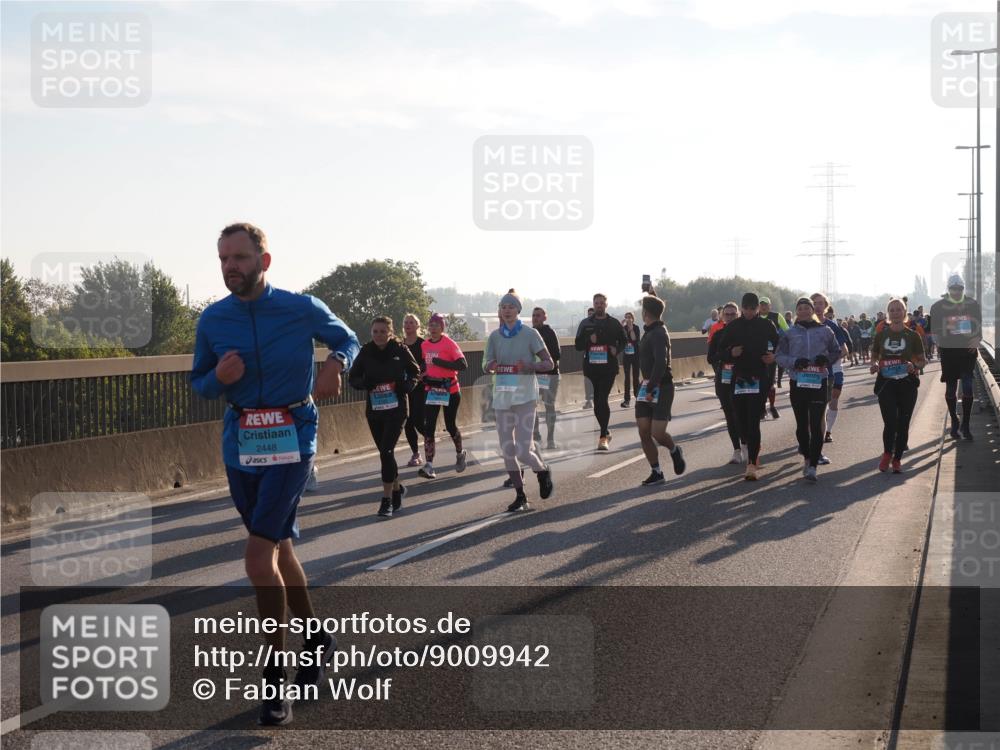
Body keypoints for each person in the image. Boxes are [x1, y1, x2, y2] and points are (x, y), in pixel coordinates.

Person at [191, 222, 359, 726]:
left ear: (264, 261)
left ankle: (274, 679)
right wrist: (216, 378)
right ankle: (315, 638)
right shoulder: (213, 319)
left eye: (239, 258)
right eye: (222, 259)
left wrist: (335, 365)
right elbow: (198, 383)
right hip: (241, 443)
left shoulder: (300, 307)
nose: (229, 268)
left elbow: (347, 339)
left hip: (293, 437)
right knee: (281, 548)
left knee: (258, 556)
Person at [484, 290, 555, 511]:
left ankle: (542, 470)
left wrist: (529, 366)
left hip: (525, 397)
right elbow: (485, 362)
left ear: (518, 310)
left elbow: (549, 363)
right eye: (503, 306)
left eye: (511, 306)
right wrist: (490, 366)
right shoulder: (494, 336)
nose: (506, 310)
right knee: (507, 450)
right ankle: (520, 494)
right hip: (502, 398)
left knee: (523, 450)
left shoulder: (530, 334)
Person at [348, 317, 420, 517]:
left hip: (396, 409)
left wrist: (407, 386)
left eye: (382, 331)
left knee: (387, 451)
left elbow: (415, 372)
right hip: (375, 411)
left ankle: (386, 500)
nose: (378, 335)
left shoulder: (400, 350)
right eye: (375, 331)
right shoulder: (366, 351)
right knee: (384, 454)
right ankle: (397, 490)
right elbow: (352, 378)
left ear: (390, 332)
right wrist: (365, 383)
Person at [776, 298, 842, 482]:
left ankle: (813, 465)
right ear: (796, 311)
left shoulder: (825, 331)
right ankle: (806, 457)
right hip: (798, 382)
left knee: (816, 424)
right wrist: (794, 362)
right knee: (802, 426)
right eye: (800, 308)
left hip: (818, 382)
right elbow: (779, 356)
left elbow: (837, 351)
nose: (804, 311)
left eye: (807, 308)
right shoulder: (789, 333)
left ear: (812, 310)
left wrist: (825, 359)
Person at [717, 292, 779, 480]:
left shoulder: (767, 325)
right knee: (740, 421)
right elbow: (719, 351)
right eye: (747, 309)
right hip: (739, 378)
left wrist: (773, 356)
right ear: (742, 308)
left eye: (753, 309)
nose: (750, 312)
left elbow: (780, 344)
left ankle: (752, 462)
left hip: (759, 377)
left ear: (758, 308)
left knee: (753, 421)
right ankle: (749, 447)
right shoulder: (734, 326)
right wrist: (731, 352)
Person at [870, 298, 926, 473]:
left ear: (905, 312)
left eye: (899, 309)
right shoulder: (881, 335)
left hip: (907, 384)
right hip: (886, 383)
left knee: (903, 423)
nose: (895, 313)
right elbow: (875, 356)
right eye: (892, 310)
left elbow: (923, 361)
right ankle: (887, 453)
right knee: (890, 422)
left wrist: (914, 365)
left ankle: (897, 459)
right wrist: (874, 365)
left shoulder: (913, 335)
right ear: (888, 313)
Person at [636, 294, 685, 483]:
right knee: (643, 431)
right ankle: (656, 471)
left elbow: (661, 362)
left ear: (645, 312)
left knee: (657, 433)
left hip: (661, 386)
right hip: (646, 385)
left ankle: (674, 449)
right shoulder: (649, 331)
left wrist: (651, 387)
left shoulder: (658, 333)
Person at [930, 273, 982, 440]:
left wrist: (976, 339)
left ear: (963, 288)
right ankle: (954, 419)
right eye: (953, 289)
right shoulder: (938, 307)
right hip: (949, 353)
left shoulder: (972, 304)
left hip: (967, 352)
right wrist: (939, 343)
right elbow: (934, 331)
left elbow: (978, 327)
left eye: (959, 288)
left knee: (967, 387)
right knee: (951, 389)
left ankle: (966, 424)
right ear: (948, 289)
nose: (956, 292)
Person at [419, 313, 468, 478]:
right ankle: (429, 465)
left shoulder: (449, 343)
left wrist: (442, 363)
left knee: (450, 425)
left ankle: (460, 453)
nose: (433, 328)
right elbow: (424, 364)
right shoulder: (425, 345)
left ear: (442, 327)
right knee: (429, 426)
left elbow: (463, 365)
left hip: (451, 391)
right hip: (432, 390)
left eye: (436, 325)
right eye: (431, 325)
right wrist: (422, 374)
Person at [575, 294, 625, 451]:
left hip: (608, 368)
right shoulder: (585, 323)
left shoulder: (614, 323)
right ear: (593, 305)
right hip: (591, 368)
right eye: (596, 303)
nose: (599, 305)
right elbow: (577, 345)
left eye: (602, 303)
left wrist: (616, 350)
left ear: (606, 305)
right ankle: (606, 431)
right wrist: (589, 340)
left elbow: (623, 341)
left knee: (602, 399)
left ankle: (603, 436)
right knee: (597, 403)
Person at [707, 302, 743, 464]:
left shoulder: (746, 332)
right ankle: (737, 450)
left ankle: (747, 444)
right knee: (730, 414)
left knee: (743, 414)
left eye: (733, 314)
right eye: (727, 314)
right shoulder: (717, 335)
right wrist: (729, 354)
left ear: (738, 315)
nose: (730, 317)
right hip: (724, 379)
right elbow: (711, 358)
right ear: (722, 316)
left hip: (744, 379)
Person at [813, 293, 850, 447]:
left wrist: (828, 360)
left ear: (826, 306)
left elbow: (844, 350)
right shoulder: (803, 325)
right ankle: (815, 434)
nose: (818, 306)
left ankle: (827, 431)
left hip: (834, 369)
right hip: (813, 371)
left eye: (821, 303)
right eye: (815, 303)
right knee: (817, 405)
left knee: (832, 401)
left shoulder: (832, 326)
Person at [532, 306, 561, 449]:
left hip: (549, 376)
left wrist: (543, 362)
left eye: (538, 315)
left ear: (544, 317)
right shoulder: (529, 333)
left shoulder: (550, 333)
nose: (535, 318)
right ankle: (536, 435)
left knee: (549, 406)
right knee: (532, 406)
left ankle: (551, 439)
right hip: (533, 376)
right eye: (533, 315)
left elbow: (557, 355)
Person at [401, 313, 426, 467]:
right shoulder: (399, 344)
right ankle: (416, 454)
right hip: (404, 387)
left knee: (418, 420)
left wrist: (422, 375)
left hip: (420, 387)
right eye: (406, 322)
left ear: (417, 325)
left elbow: (428, 363)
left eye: (411, 322)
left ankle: (429, 439)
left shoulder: (424, 344)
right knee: (407, 421)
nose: (408, 325)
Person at [758, 296, 787, 419]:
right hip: (758, 355)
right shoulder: (754, 317)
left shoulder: (776, 316)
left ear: (770, 306)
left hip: (772, 354)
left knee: (770, 383)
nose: (763, 306)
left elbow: (787, 332)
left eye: (766, 304)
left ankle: (772, 406)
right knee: (759, 382)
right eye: (761, 304)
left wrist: (782, 348)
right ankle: (762, 407)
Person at [620, 311, 641, 407]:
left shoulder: (636, 328)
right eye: (626, 317)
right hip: (627, 355)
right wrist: (621, 326)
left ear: (633, 318)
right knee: (627, 378)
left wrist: (631, 329)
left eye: (629, 317)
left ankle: (638, 398)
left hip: (636, 355)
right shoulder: (623, 329)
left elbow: (634, 339)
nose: (628, 319)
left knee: (635, 377)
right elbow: (621, 339)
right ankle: (627, 400)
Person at [582, 306, 595, 409]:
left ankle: (597, 398)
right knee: (587, 379)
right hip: (588, 356)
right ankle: (589, 400)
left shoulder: (601, 326)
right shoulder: (585, 326)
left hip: (600, 357)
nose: (590, 316)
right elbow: (579, 341)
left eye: (592, 314)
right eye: (589, 314)